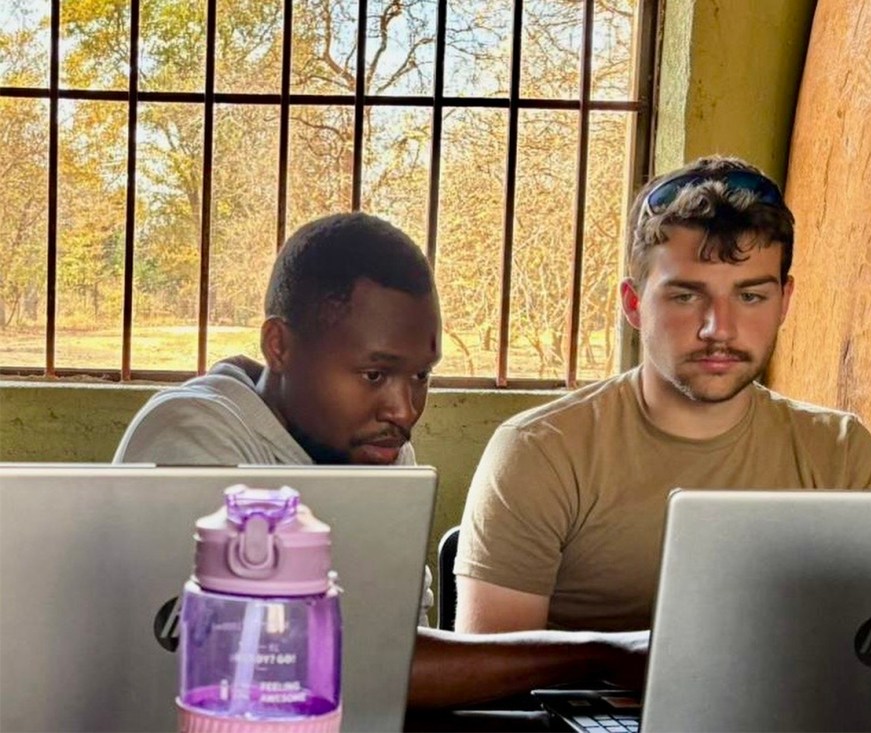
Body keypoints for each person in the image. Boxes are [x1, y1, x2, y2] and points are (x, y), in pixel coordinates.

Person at [113, 212, 646, 708]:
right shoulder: (193, 436)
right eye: (375, 374)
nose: (404, 409)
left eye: (421, 376)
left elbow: (393, 650)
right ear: (280, 346)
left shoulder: (377, 447)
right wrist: (599, 652)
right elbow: (271, 668)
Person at [454, 154, 871, 635]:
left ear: (785, 301)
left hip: (792, 710)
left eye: (751, 296)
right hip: (584, 708)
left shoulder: (841, 453)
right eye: (686, 296)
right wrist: (619, 659)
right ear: (633, 304)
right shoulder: (541, 449)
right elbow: (487, 676)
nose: (719, 328)